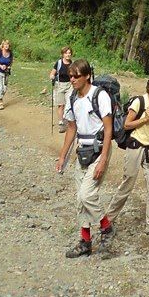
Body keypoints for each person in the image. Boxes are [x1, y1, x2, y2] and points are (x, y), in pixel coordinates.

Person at [54, 59, 114, 258]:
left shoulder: (100, 96)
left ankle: (106, 228)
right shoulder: (73, 98)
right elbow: (71, 128)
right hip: (82, 151)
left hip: (98, 150)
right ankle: (85, 241)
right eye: (70, 76)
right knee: (80, 200)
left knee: (86, 195)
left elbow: (108, 128)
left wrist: (104, 158)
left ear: (87, 76)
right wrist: (62, 156)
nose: (72, 79)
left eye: (76, 76)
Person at [106, 74, 149, 237]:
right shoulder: (139, 102)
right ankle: (108, 219)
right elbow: (126, 125)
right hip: (135, 146)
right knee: (127, 184)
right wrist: (146, 118)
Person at [49, 46, 74, 132]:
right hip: (59, 85)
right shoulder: (59, 63)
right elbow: (52, 73)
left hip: (70, 85)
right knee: (61, 105)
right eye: (66, 53)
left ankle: (68, 120)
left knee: (69, 103)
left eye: (69, 53)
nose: (68, 55)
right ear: (63, 54)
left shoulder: (72, 64)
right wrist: (52, 76)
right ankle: (61, 122)